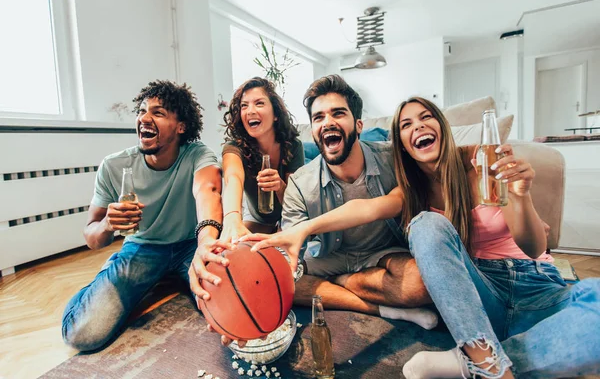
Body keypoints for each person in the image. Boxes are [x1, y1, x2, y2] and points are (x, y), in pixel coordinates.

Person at [248, 96, 600, 378]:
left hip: (538, 287)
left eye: (425, 117)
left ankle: (470, 362)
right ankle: (488, 358)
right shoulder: (411, 191)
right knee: (426, 225)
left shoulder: (479, 165)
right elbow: (366, 210)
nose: (418, 126)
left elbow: (536, 247)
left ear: (441, 126)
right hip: (479, 294)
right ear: (401, 142)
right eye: (406, 124)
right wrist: (302, 230)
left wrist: (520, 194)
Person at [243, 75, 437, 331]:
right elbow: (292, 253)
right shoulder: (300, 183)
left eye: (338, 113)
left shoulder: (394, 160)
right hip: (328, 258)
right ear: (312, 131)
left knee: (420, 283)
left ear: (358, 125)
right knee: (276, 281)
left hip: (381, 255)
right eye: (318, 117)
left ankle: (342, 281)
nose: (328, 122)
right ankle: (379, 307)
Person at [61, 80, 228, 352]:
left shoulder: (197, 155)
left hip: (190, 246)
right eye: (141, 110)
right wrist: (107, 224)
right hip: (142, 248)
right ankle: (101, 288)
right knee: (82, 333)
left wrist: (206, 243)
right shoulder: (114, 166)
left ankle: (169, 277)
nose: (144, 118)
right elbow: (92, 238)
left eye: (158, 112)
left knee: (232, 307)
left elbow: (208, 190)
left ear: (181, 126)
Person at [220, 77, 304, 241]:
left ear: (275, 115)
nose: (250, 110)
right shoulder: (234, 148)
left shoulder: (293, 146)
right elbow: (233, 178)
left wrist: (279, 186)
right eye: (244, 105)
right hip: (258, 220)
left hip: (290, 218)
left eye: (259, 103)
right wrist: (231, 218)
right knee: (236, 245)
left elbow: (297, 204)